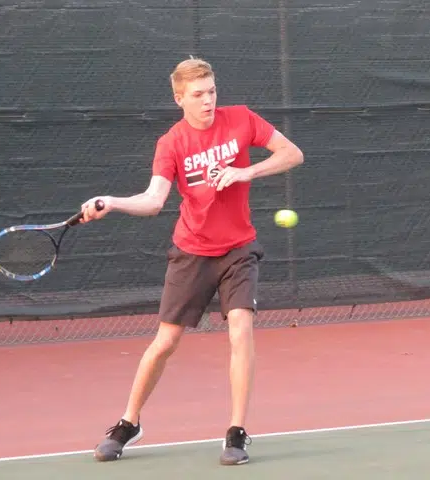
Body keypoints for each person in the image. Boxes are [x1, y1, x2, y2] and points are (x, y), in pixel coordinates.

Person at [80, 57, 304, 466]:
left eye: (212, 91)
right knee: (164, 343)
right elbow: (153, 201)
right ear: (179, 98)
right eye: (198, 94)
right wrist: (111, 202)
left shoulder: (241, 119)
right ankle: (129, 423)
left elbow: (292, 154)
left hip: (239, 249)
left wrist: (244, 173)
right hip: (191, 251)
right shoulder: (172, 143)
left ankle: (236, 433)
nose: (208, 101)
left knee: (241, 330)